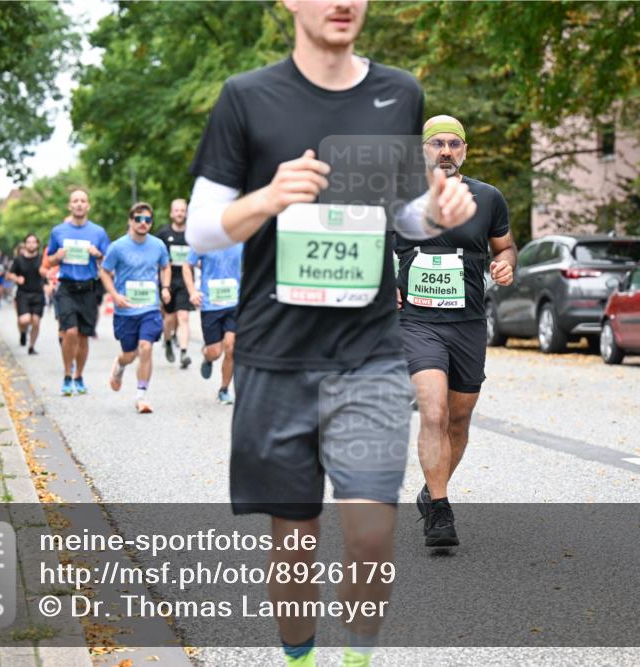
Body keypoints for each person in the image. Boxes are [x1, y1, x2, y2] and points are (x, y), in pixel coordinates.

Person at [185, 1, 476, 664]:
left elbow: (404, 214)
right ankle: (302, 660)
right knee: (295, 538)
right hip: (275, 356)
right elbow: (202, 228)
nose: (342, 2)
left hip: (369, 354)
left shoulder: (398, 93)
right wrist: (269, 196)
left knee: (372, 532)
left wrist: (435, 210)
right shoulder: (247, 98)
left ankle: (356, 658)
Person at [395, 115, 517, 547]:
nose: (445, 150)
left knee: (459, 420)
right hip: (418, 323)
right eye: (436, 143)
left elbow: (504, 246)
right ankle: (441, 514)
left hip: (467, 324)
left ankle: (432, 490)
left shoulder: (488, 198)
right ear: (423, 151)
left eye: (454, 143)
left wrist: (506, 265)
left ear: (464, 150)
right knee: (433, 412)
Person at [100, 203, 171, 413]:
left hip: (150, 308)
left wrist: (165, 287)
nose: (143, 223)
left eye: (147, 220)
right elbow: (104, 272)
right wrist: (115, 296)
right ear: (130, 221)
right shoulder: (118, 247)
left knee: (146, 347)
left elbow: (165, 267)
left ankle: (141, 396)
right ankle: (120, 364)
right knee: (129, 355)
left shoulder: (158, 245)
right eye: (138, 219)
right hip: (126, 310)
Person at [46, 189, 110, 396]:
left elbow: (107, 260)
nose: (79, 204)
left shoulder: (98, 232)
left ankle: (79, 376)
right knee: (70, 332)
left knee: (83, 336)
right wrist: (58, 255)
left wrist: (97, 253)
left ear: (88, 206)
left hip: (89, 289)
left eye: (83, 200)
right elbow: (50, 260)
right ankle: (66, 375)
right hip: (67, 287)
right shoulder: (58, 231)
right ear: (70, 206)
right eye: (76, 201)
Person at [181, 242, 241, 405]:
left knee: (231, 346)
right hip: (210, 304)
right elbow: (187, 266)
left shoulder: (241, 240)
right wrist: (193, 291)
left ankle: (224, 389)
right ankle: (207, 356)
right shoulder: (205, 241)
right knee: (215, 352)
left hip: (234, 303)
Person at [157, 198, 195, 368]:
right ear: (171, 213)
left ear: (186, 213)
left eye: (182, 210)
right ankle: (168, 341)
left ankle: (184, 352)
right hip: (168, 280)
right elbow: (157, 259)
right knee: (170, 318)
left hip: (186, 280)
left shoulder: (192, 234)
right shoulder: (163, 234)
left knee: (184, 316)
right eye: (177, 210)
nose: (180, 213)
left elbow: (199, 253)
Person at [7, 234, 46, 355]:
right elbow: (9, 274)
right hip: (23, 294)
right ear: (25, 244)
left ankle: (31, 346)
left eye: (34, 242)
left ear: (37, 244)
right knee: (24, 320)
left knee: (35, 321)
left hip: (38, 294)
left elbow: (48, 273)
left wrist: (48, 283)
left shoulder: (42, 259)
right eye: (29, 242)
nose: (31, 244)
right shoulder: (19, 260)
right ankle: (23, 333)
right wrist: (17, 278)